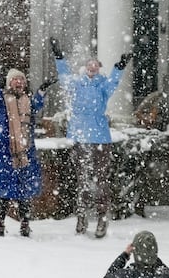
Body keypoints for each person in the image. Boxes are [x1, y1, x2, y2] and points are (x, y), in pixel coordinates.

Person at [52, 39, 131, 238]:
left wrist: (119, 67)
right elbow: (63, 78)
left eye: (96, 65)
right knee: (83, 180)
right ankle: (82, 216)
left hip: (100, 139)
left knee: (101, 180)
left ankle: (102, 218)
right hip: (80, 136)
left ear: (99, 68)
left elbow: (114, 82)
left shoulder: (103, 85)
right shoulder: (76, 83)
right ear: (84, 67)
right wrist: (59, 57)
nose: (92, 68)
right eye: (90, 65)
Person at [0, 67, 46, 237]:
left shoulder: (28, 101)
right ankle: (0, 222)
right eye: (15, 79)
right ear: (9, 82)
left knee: (24, 192)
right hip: (5, 152)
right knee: (4, 191)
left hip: (25, 153)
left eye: (21, 79)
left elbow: (37, 105)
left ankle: (25, 224)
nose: (19, 82)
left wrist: (41, 91)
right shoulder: (3, 100)